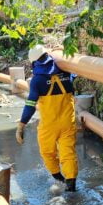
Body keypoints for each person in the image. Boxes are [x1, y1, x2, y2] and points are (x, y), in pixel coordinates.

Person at [16, 44, 79, 191]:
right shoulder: (67, 72)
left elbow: (31, 105)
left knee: (47, 153)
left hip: (49, 126)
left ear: (34, 63)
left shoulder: (37, 81)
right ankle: (71, 187)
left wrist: (21, 125)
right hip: (67, 123)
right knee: (68, 153)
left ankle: (59, 179)